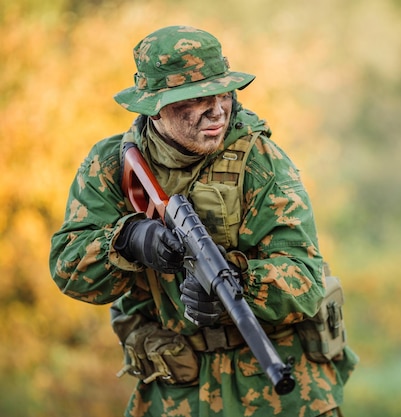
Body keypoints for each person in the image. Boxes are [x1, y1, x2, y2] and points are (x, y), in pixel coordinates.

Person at [49, 25, 357, 417]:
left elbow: (305, 280)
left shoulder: (262, 162)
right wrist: (129, 240)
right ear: (155, 108)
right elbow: (67, 267)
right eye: (193, 100)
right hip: (175, 395)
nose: (216, 110)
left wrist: (237, 282)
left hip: (278, 397)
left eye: (223, 93)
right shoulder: (110, 165)